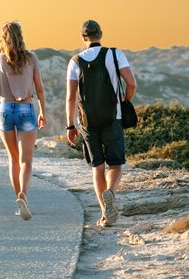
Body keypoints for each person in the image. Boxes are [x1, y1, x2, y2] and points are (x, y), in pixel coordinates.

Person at [66, 20, 136, 227]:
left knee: (97, 167)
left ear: (83, 37)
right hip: (112, 117)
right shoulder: (115, 54)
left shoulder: (75, 61)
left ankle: (105, 215)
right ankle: (111, 193)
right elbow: (131, 83)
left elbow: (70, 97)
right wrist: (126, 102)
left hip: (87, 122)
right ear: (101, 34)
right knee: (115, 164)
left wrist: (70, 126)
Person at [0, 21, 47, 220]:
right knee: (25, 160)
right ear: (21, 36)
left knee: (12, 159)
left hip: (4, 109)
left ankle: (17, 199)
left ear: (3, 39)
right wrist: (42, 112)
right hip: (26, 109)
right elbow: (39, 88)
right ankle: (24, 195)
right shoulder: (31, 58)